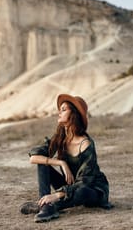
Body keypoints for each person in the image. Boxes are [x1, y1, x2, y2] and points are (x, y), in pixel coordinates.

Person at [20, 94, 112, 223]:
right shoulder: (60, 137)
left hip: (92, 189)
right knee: (43, 163)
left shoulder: (86, 144)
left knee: (82, 191)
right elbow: (34, 158)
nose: (59, 113)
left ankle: (49, 205)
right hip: (70, 185)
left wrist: (56, 195)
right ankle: (46, 207)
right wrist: (60, 162)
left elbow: (85, 182)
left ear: (73, 115)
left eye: (64, 110)